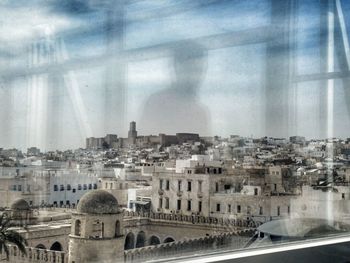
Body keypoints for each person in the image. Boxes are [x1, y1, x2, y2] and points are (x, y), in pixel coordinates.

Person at [140, 40, 210, 135]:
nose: (197, 77)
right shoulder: (157, 102)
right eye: (191, 69)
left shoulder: (200, 112)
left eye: (200, 70)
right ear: (177, 67)